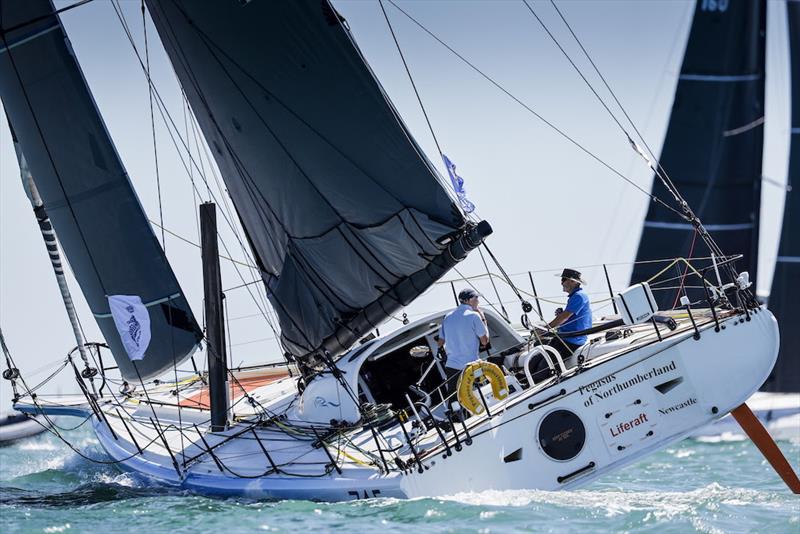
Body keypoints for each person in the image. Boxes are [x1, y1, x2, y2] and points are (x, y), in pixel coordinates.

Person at [437, 288, 489, 397]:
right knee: (481, 394)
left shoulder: (447, 317)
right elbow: (484, 341)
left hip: (452, 366)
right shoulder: (474, 315)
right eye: (476, 298)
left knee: (455, 398)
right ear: (468, 300)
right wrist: (483, 318)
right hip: (471, 365)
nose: (478, 301)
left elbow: (440, 342)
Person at [544, 268, 592, 359]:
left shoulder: (579, 296)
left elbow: (564, 317)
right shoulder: (576, 296)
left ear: (572, 281)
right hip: (564, 337)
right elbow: (567, 316)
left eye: (563, 279)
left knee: (543, 366)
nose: (561, 283)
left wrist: (545, 329)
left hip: (572, 340)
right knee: (534, 362)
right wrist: (561, 314)